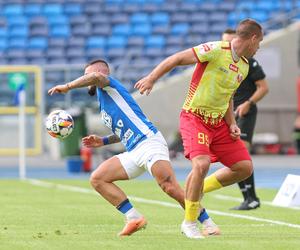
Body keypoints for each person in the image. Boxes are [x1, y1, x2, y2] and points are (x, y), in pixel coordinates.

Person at [48, 59, 219, 237]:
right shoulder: (103, 99)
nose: (87, 79)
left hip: (149, 142)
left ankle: (208, 223)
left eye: (88, 75)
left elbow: (96, 76)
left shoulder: (109, 85)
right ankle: (134, 217)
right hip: (134, 150)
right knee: (98, 179)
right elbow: (125, 130)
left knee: (169, 187)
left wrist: (67, 86)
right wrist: (104, 141)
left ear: (101, 74)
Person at [135, 19, 263, 239]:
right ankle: (190, 222)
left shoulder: (243, 65)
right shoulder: (214, 49)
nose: (259, 47)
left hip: (219, 123)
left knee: (244, 167)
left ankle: (198, 186)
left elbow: (228, 97)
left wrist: (231, 122)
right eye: (259, 42)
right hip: (195, 117)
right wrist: (151, 78)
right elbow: (176, 59)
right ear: (252, 38)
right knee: (201, 163)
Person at [222, 28, 269, 210]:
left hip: (245, 112)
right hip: (229, 113)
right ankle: (248, 198)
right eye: (224, 41)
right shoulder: (222, 60)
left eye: (229, 40)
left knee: (241, 153)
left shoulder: (249, 62)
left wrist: (248, 103)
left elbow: (264, 87)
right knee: (234, 157)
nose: (227, 44)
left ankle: (252, 198)